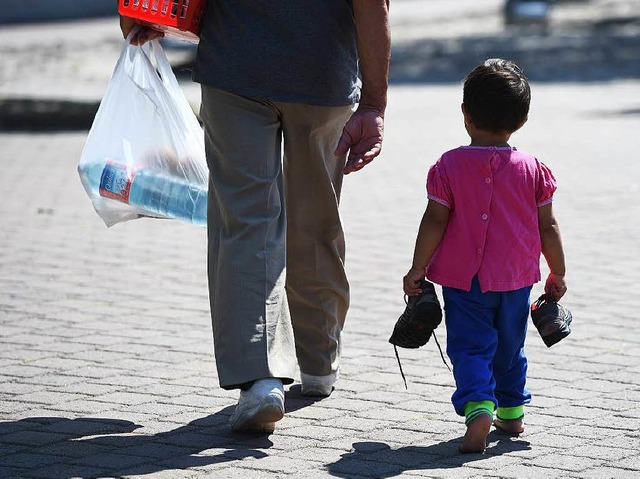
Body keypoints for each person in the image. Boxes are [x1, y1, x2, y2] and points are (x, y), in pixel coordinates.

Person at [120, 1, 390, 434]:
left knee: (247, 223)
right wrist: (374, 103)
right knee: (315, 218)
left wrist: (153, 15)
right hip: (322, 77)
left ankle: (261, 378)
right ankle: (318, 362)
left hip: (236, 68)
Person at [402, 58, 567, 453]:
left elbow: (434, 220)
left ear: (465, 115)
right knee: (511, 346)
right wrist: (558, 271)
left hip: (464, 281)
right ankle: (510, 412)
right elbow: (549, 227)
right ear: (522, 120)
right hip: (515, 279)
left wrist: (417, 268)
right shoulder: (533, 169)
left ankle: (478, 405)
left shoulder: (448, 166)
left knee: (470, 345)